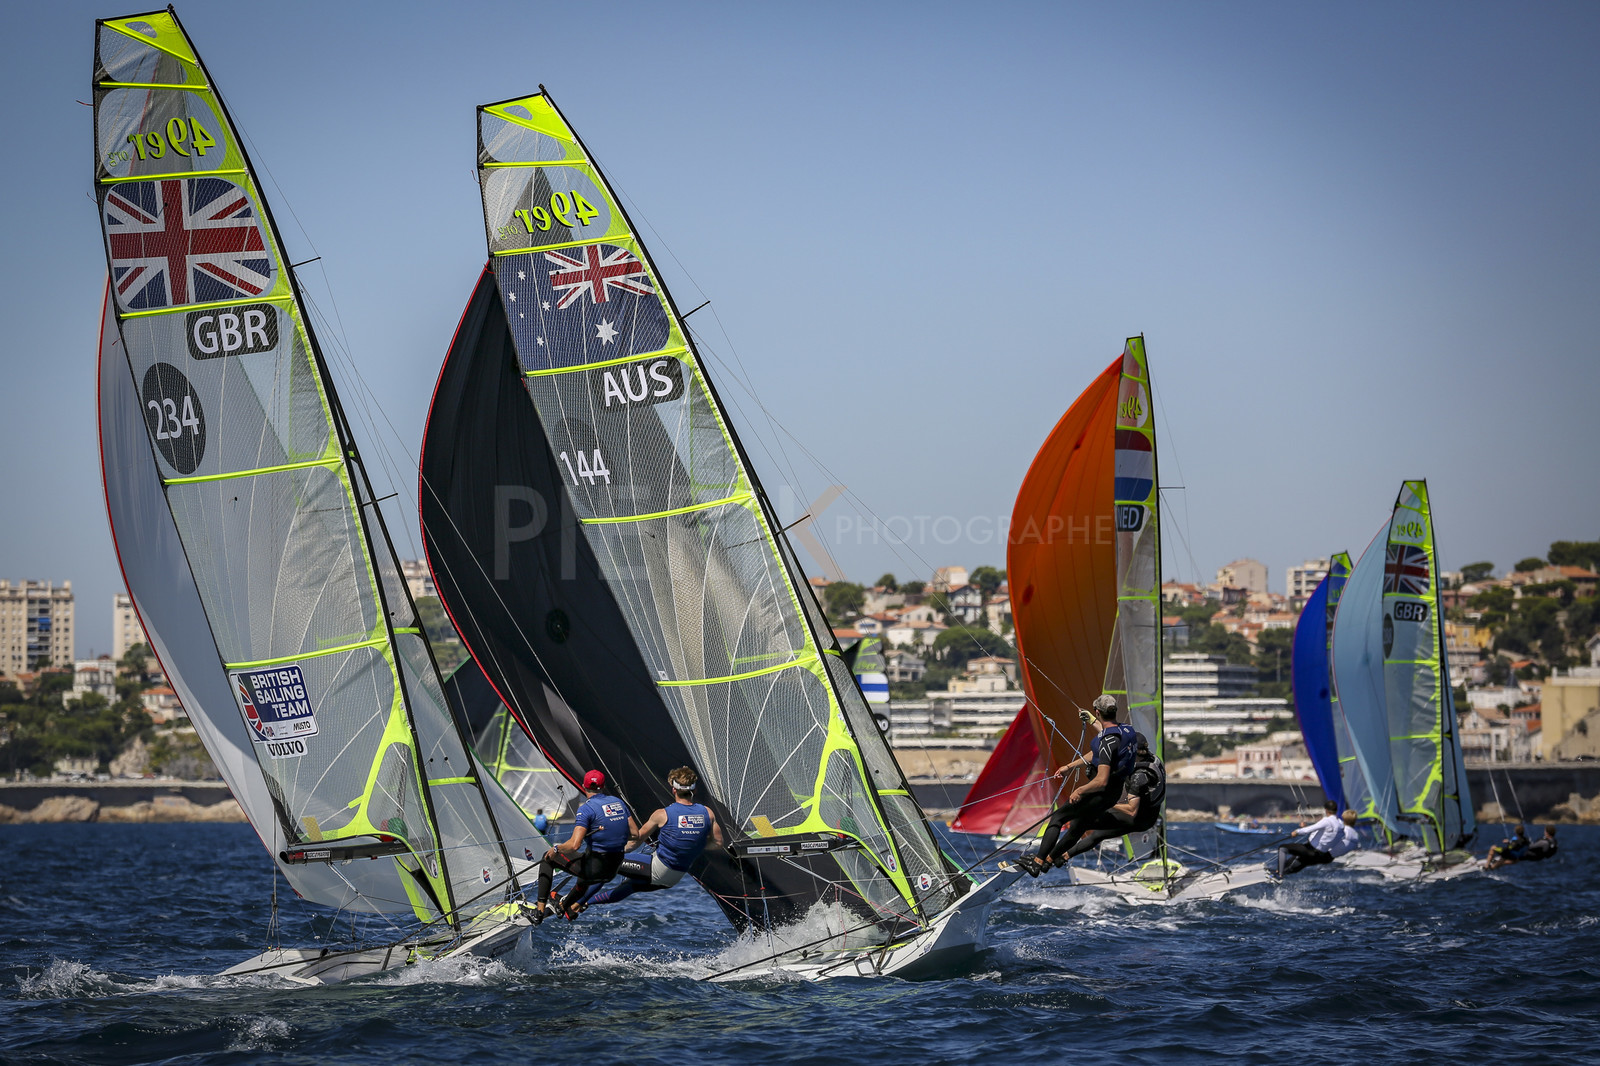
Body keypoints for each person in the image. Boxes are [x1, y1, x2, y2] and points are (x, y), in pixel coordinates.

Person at [1016, 694, 1138, 876]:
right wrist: (1070, 766)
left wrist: (1080, 790)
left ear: (1098, 711)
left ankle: (1038, 860)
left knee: (1058, 818)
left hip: (1098, 793)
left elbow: (1101, 778)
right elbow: (1104, 747)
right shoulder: (1128, 731)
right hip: (1113, 794)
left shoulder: (1107, 742)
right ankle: (1048, 862)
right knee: (1079, 827)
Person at [576, 766, 725, 912]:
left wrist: (612, 852)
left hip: (658, 869)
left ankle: (575, 903)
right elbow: (718, 843)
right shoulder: (708, 813)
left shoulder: (662, 814)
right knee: (630, 886)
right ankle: (585, 904)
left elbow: (636, 840)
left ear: (674, 790)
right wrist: (694, 845)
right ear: (694, 790)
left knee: (608, 864)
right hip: (673, 878)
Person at [533, 770, 637, 923]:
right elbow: (635, 834)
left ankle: (538, 912)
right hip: (612, 870)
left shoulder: (586, 809)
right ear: (603, 786)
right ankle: (564, 907)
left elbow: (574, 845)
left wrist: (556, 849)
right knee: (584, 871)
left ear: (583, 786)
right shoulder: (618, 802)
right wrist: (612, 835)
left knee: (547, 858)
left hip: (593, 870)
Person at [1059, 735, 1166, 860]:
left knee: (1083, 822)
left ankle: (1052, 856)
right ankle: (1063, 857)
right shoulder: (1151, 758)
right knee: (1097, 834)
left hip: (1139, 818)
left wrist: (1109, 802)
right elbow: (1097, 754)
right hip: (1146, 815)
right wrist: (1070, 767)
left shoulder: (1140, 776)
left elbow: (1131, 810)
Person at [1275, 803, 1358, 876]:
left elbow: (1320, 831)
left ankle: (1280, 874)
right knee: (1301, 860)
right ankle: (1281, 873)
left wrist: (1299, 831)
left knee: (1285, 850)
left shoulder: (1342, 829)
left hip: (1318, 852)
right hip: (1325, 857)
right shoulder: (1348, 831)